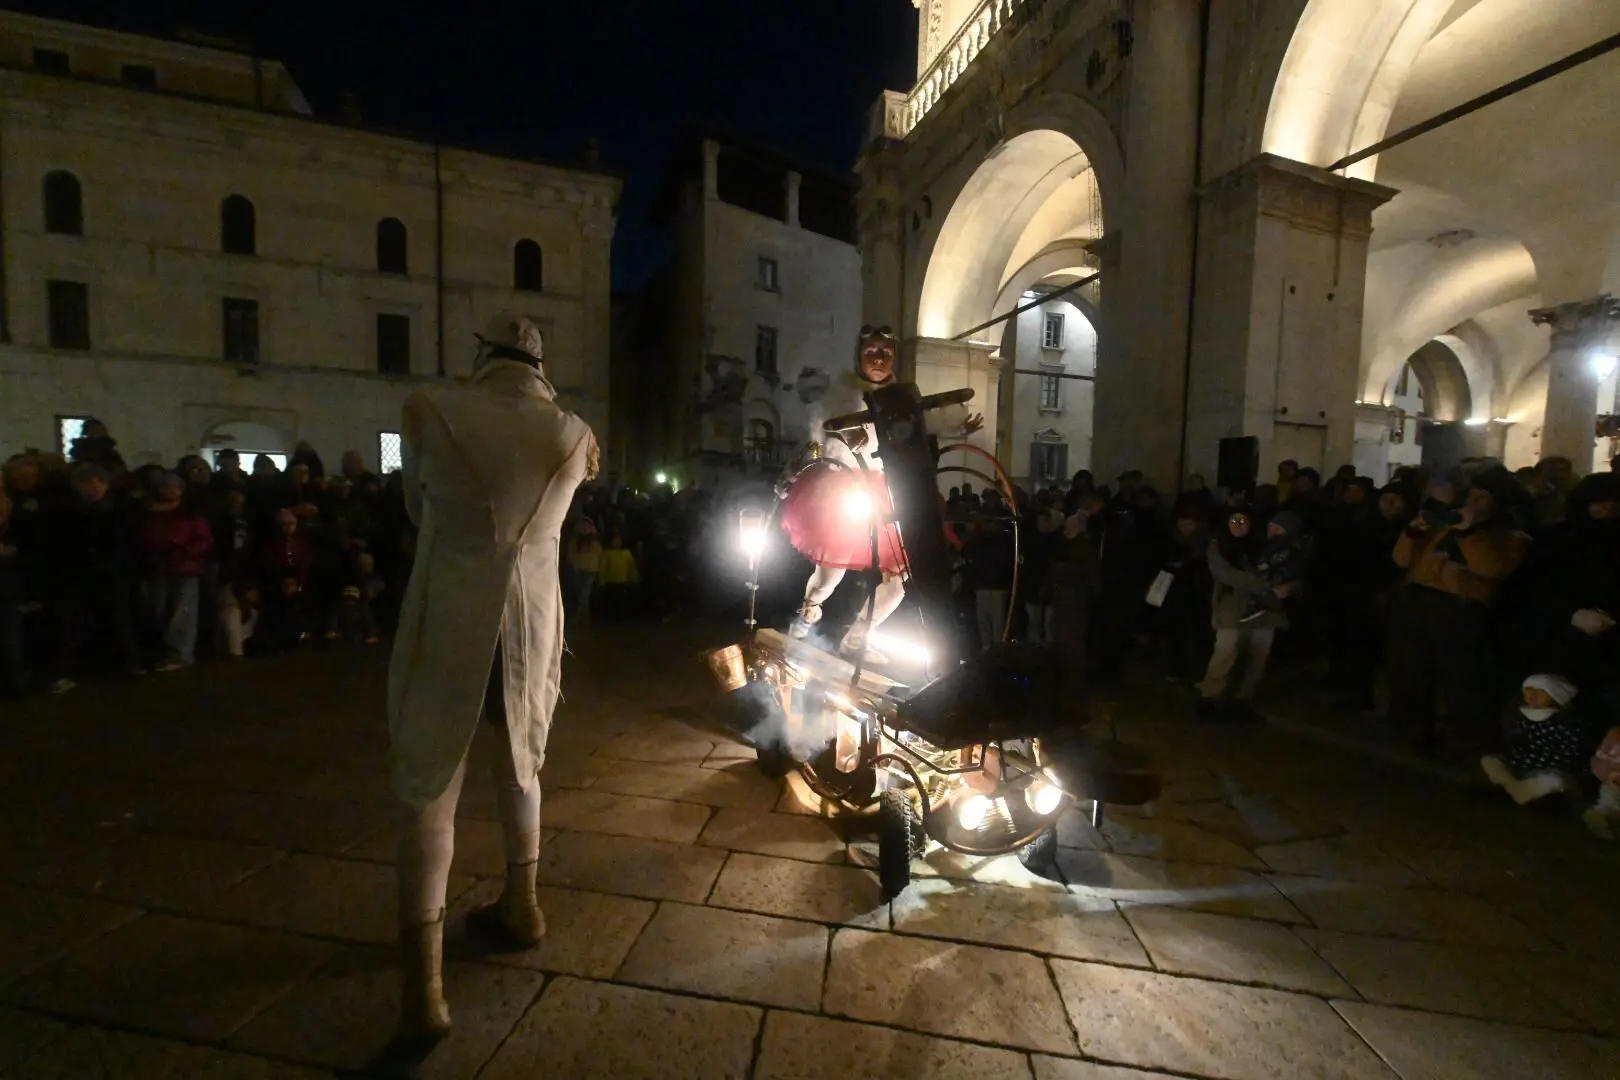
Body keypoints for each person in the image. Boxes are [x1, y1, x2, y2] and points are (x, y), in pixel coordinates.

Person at [388, 312, 597, 1046]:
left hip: (452, 608)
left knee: (429, 786)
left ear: (481, 354)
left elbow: (417, 509)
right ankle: (524, 904)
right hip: (532, 619)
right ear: (539, 364)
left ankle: (425, 989)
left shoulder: (431, 409)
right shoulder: (574, 433)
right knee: (522, 762)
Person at [781, 327, 980, 660]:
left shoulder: (902, 394)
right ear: (859, 353)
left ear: (894, 356)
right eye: (871, 351)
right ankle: (807, 613)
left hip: (887, 489)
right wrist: (840, 441)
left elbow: (923, 424)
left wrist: (957, 427)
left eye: (885, 352)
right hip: (843, 488)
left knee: (901, 574)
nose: (878, 358)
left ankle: (859, 638)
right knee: (831, 572)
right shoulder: (842, 392)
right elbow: (820, 438)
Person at [1196, 508, 1291, 719]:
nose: (1239, 527)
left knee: (1257, 656)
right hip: (1232, 607)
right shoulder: (1219, 545)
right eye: (1234, 521)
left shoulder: (1262, 546)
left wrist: (1285, 585)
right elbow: (1227, 574)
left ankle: (1242, 698)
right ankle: (1210, 697)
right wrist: (1265, 585)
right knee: (1225, 652)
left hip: (1264, 609)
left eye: (1243, 522)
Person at [1480, 674, 1586, 804]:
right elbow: (1513, 746)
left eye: (1540, 692)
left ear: (1554, 696)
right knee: (1490, 761)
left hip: (1547, 770)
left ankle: (1517, 792)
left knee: (1557, 781)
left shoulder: (1566, 722)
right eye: (1528, 690)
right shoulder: (1518, 716)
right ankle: (1516, 789)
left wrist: (1539, 768)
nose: (1532, 695)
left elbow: (1567, 756)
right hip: (1519, 767)